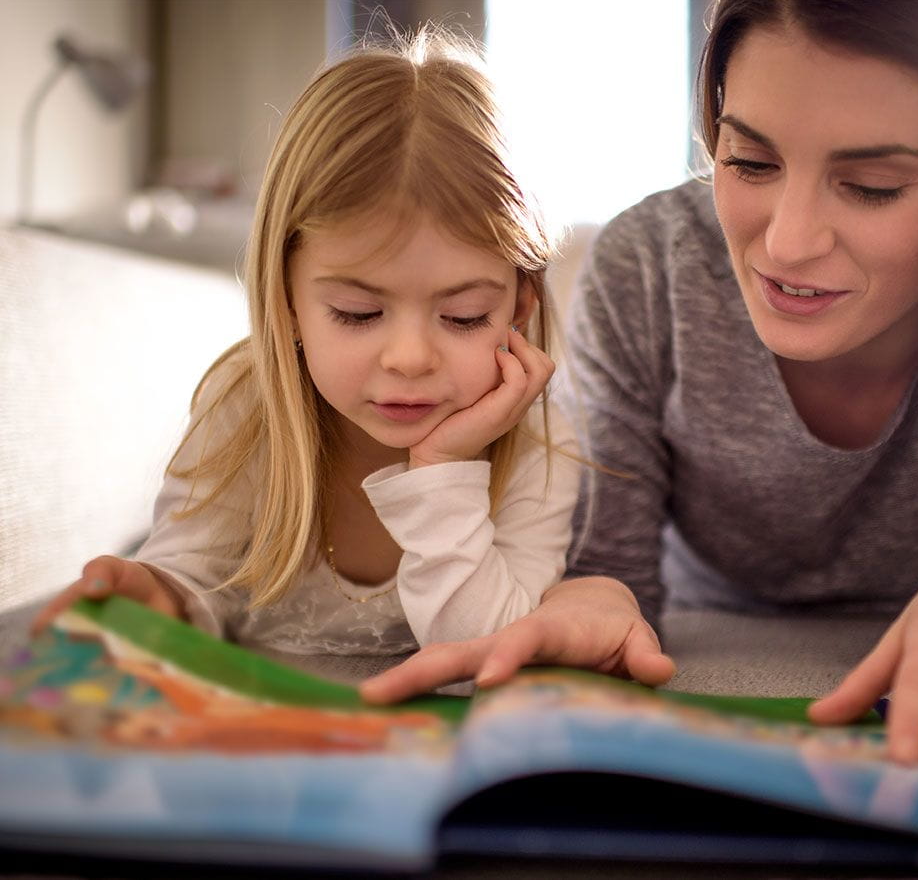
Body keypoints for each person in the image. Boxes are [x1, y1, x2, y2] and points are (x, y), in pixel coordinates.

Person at [362, 0, 918, 789]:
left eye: (873, 185)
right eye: (748, 161)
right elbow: (611, 570)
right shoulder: (649, 265)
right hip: (708, 614)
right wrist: (594, 599)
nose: (786, 243)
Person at [33, 32, 580, 658]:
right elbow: (189, 582)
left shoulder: (540, 446)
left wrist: (444, 473)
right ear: (285, 301)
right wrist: (157, 595)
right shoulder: (245, 406)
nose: (409, 358)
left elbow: (491, 654)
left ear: (517, 306)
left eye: (463, 316)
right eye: (357, 312)